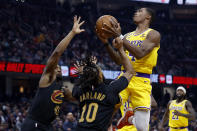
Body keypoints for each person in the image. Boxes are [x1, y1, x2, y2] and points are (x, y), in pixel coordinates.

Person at [96, 8, 160, 131]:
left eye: (140, 11)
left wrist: (119, 36)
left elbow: (141, 53)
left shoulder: (153, 34)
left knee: (142, 128)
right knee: (104, 109)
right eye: (136, 11)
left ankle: (129, 119)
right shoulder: (127, 36)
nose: (136, 12)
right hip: (124, 77)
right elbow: (119, 61)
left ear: (148, 17)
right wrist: (106, 43)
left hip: (142, 80)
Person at [21, 16, 85, 131]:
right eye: (56, 67)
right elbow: (56, 53)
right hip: (34, 124)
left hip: (47, 125)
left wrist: (84, 76)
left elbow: (77, 96)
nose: (58, 68)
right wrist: (72, 33)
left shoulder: (62, 87)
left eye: (60, 68)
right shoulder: (47, 78)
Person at [72, 37, 135, 131]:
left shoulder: (81, 91)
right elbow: (130, 71)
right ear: (100, 76)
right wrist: (121, 49)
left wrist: (84, 73)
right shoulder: (110, 90)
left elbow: (78, 86)